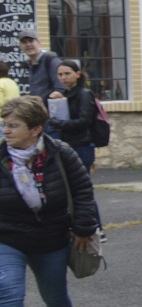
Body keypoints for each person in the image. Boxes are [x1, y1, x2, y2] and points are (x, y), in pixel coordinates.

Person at [0, 95, 97, 307]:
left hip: (51, 237)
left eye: (13, 126)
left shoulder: (60, 152)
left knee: (54, 295)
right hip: (8, 237)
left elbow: (82, 191)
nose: (6, 131)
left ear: (35, 129)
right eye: (4, 125)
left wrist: (83, 228)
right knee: (7, 292)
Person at [46, 59, 104, 240]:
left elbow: (83, 121)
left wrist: (57, 123)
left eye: (67, 74)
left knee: (82, 189)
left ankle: (97, 228)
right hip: (69, 145)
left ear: (77, 74)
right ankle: (79, 226)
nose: (63, 78)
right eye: (60, 74)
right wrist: (54, 100)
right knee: (69, 188)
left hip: (82, 146)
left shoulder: (84, 94)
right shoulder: (65, 93)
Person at [16, 27, 63, 101]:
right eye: (24, 42)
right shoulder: (29, 65)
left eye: (31, 41)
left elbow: (61, 88)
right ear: (20, 46)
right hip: (39, 110)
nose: (28, 45)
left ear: (39, 43)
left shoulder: (51, 60)